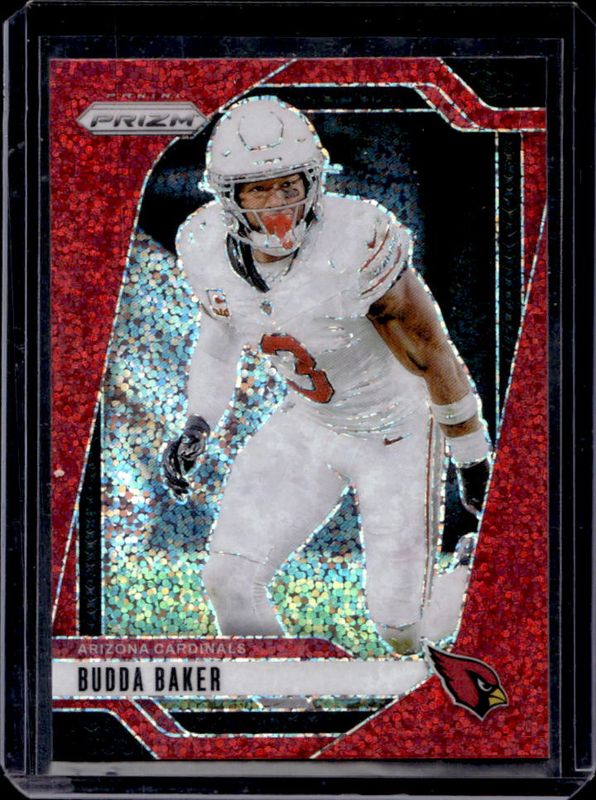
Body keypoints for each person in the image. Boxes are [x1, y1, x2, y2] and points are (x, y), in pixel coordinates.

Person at [164, 96, 491, 655]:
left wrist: (472, 457)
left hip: (395, 433)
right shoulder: (203, 244)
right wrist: (198, 421)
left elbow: (429, 350)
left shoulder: (354, 238)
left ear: (313, 181)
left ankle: (467, 573)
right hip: (311, 422)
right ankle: (289, 702)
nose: (279, 204)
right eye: (259, 189)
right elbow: (218, 343)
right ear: (228, 197)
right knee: (228, 579)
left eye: (289, 185)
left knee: (404, 633)